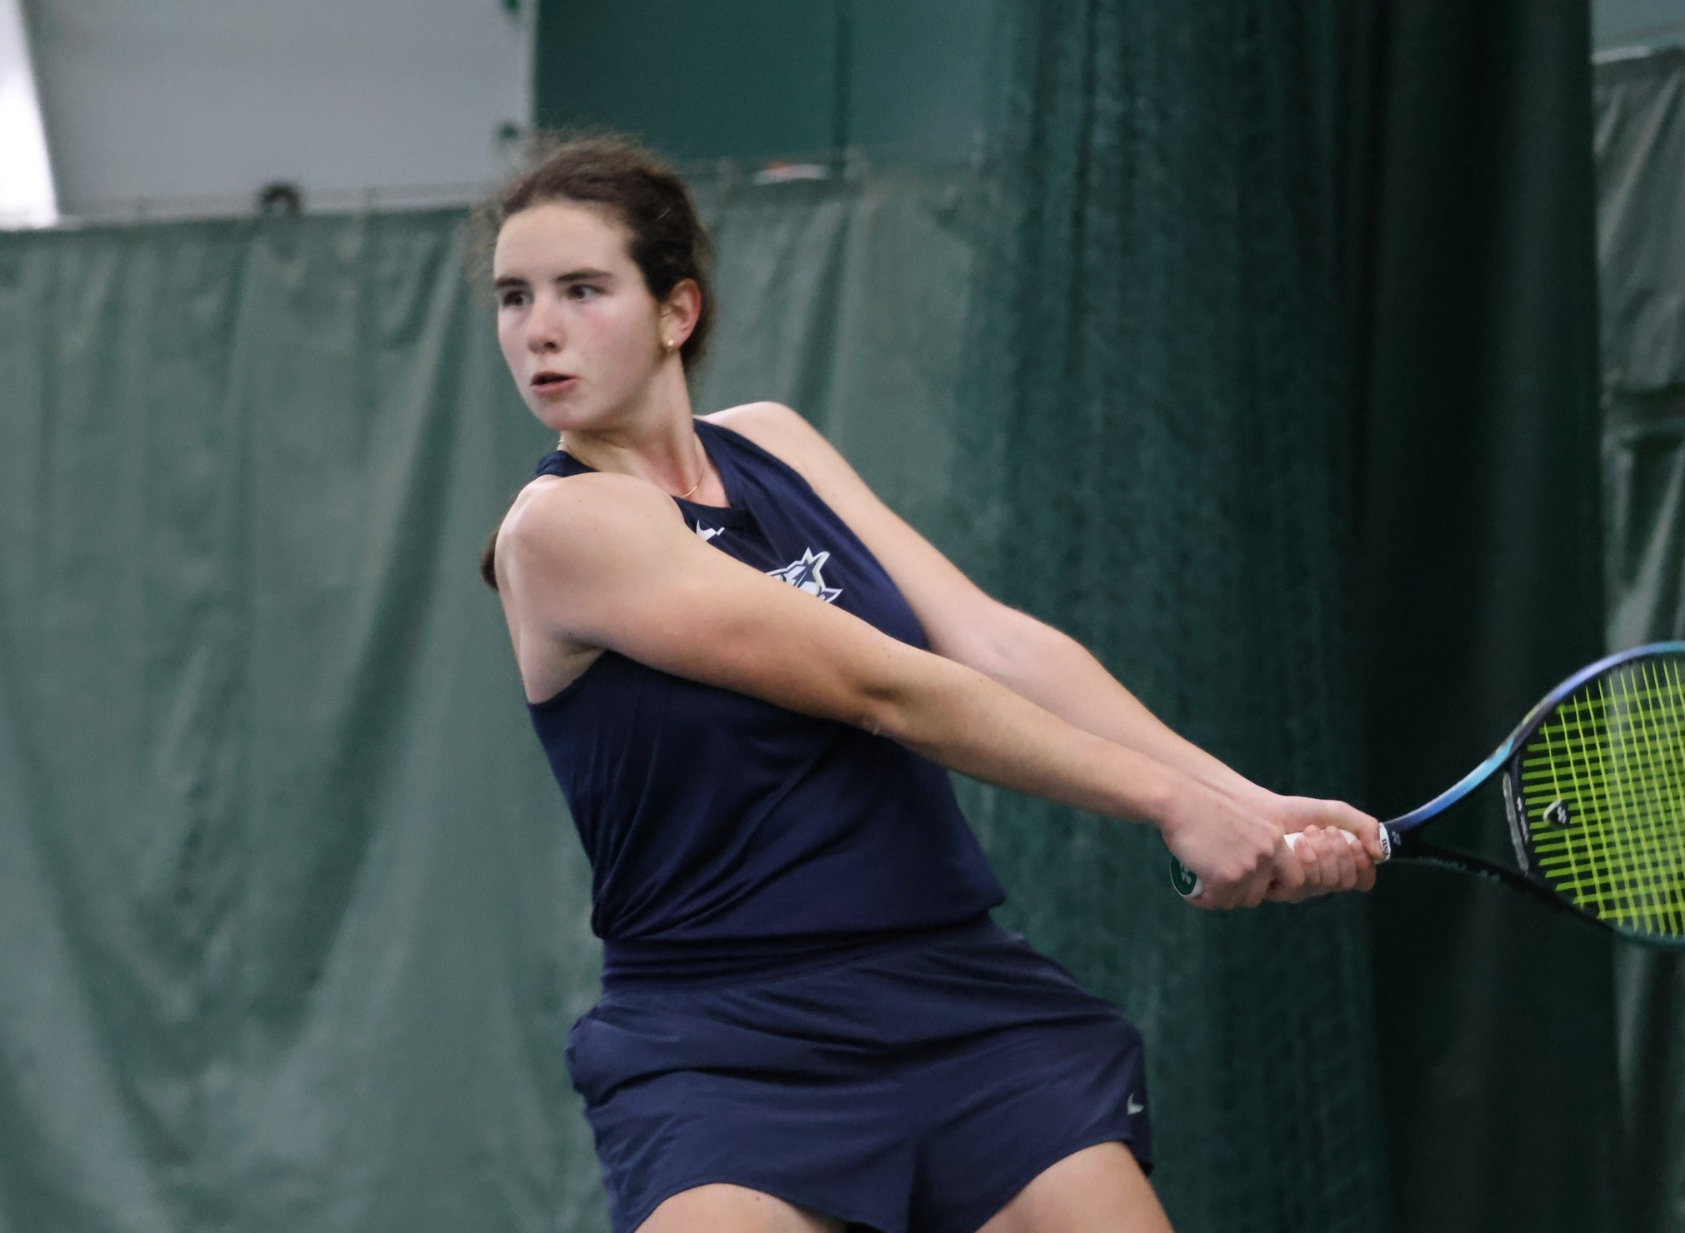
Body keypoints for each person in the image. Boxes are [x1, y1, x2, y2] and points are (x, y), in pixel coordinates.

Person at [479, 135, 1381, 1233]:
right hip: (722, 1039)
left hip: (947, 993)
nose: (539, 330)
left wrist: (1239, 797)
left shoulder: (771, 443)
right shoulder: (561, 529)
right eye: (513, 298)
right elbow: (884, 691)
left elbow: (992, 644)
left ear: (677, 311)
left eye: (581, 289)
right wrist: (1167, 802)